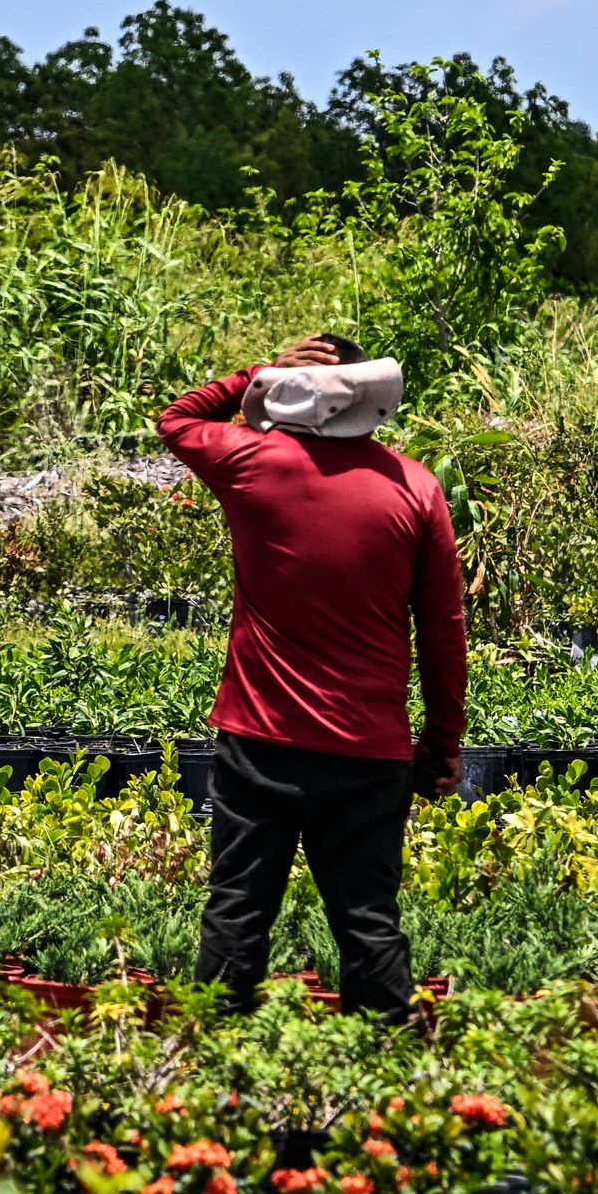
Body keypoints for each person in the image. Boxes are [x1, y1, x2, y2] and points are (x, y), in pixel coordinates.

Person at [155, 333, 464, 1015]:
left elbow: (177, 419)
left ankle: (209, 1093)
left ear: (297, 390)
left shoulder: (252, 463)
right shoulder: (414, 487)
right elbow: (442, 633)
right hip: (368, 753)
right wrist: (441, 745)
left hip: (258, 740)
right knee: (368, 926)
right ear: (369, 398)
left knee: (236, 917)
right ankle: (381, 1086)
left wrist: (257, 372)